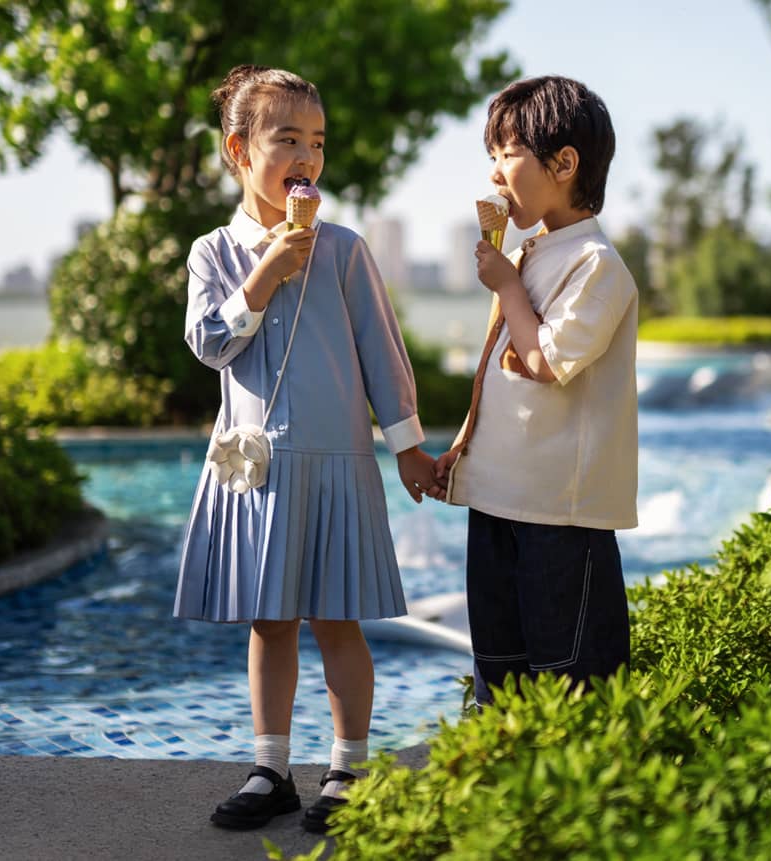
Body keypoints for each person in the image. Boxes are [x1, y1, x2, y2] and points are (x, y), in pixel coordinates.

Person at [174, 64, 444, 835]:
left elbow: (383, 354)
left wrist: (408, 448)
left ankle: (349, 765)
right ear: (238, 150)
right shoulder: (213, 252)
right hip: (259, 471)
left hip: (338, 466)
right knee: (270, 620)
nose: (307, 156)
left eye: (317, 141)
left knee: (339, 619)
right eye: (287, 138)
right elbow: (208, 344)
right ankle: (271, 767)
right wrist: (264, 274)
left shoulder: (346, 249)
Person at [434, 76, 639, 707]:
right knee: (500, 667)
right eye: (490, 157)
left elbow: (546, 361)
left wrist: (505, 287)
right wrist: (460, 452)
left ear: (564, 163)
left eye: (507, 153)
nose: (494, 173)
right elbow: (495, 374)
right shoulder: (532, 255)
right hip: (499, 501)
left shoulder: (596, 266)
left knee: (570, 679)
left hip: (559, 513)